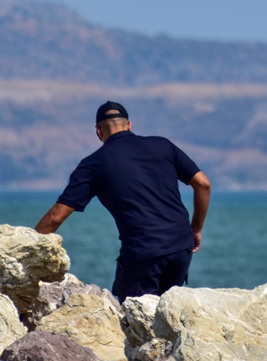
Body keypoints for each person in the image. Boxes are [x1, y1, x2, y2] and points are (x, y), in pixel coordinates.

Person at [35, 100, 212, 303]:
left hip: (144, 253)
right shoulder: (163, 145)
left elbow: (57, 215)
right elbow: (203, 184)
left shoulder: (93, 165)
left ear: (98, 131)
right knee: (166, 315)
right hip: (181, 247)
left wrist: (26, 245)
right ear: (129, 125)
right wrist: (196, 229)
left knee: (132, 320)